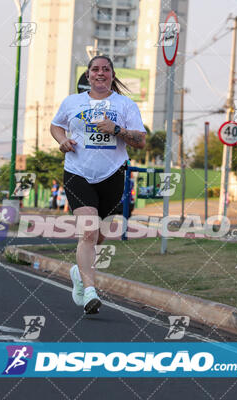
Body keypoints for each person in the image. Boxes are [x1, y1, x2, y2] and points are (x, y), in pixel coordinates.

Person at [50, 55, 146, 314]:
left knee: (100, 236)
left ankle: (78, 272)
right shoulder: (72, 102)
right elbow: (56, 125)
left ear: (112, 75)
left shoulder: (125, 105)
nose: (100, 73)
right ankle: (90, 290)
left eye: (105, 69)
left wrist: (117, 130)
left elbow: (140, 141)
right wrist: (62, 141)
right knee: (89, 232)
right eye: (95, 69)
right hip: (78, 172)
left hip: (113, 174)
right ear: (88, 75)